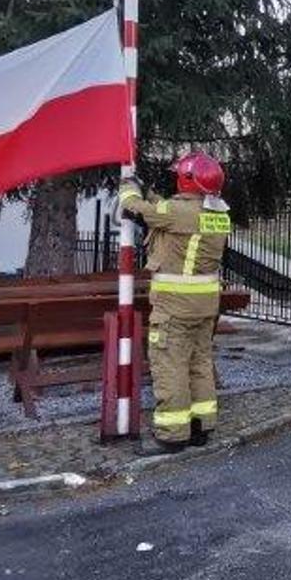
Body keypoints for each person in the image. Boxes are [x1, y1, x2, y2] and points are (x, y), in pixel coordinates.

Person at [117, 152, 233, 455]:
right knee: (200, 365)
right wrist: (148, 191)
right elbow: (166, 210)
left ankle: (172, 435)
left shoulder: (177, 212)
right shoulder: (218, 213)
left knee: (171, 368)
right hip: (205, 307)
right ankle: (201, 426)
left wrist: (129, 187)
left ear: (186, 180)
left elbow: (136, 208)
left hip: (175, 308)